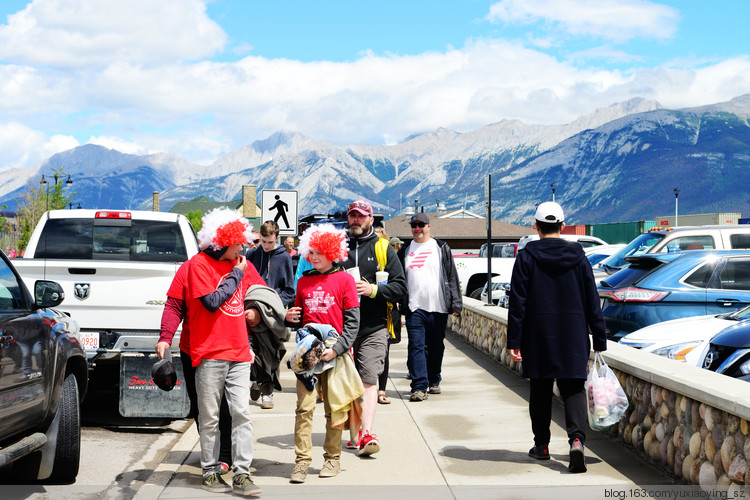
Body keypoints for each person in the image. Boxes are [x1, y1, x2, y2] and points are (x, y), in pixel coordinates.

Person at [507, 201, 607, 474]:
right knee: (573, 389)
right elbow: (592, 300)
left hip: (538, 335)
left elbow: (518, 302)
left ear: (536, 227)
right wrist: (599, 338)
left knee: (540, 391)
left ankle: (542, 446)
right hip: (573, 333)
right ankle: (576, 440)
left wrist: (514, 341)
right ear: (562, 227)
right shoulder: (579, 256)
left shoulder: (527, 256)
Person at [187, 207, 265, 495]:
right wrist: (235, 274)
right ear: (222, 241)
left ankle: (242, 474)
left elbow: (260, 295)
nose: (242, 247)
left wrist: (256, 312)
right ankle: (209, 470)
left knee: (242, 413)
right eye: (238, 242)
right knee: (209, 417)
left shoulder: (242, 264)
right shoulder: (199, 265)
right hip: (209, 353)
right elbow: (212, 301)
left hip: (239, 353)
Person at [285, 224, 361, 483]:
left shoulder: (345, 280)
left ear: (333, 251)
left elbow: (352, 323)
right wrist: (290, 318)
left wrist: (337, 349)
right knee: (304, 409)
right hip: (307, 355)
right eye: (311, 252)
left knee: (334, 410)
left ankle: (332, 459)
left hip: (334, 355)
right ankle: (302, 462)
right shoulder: (303, 282)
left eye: (319, 252)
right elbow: (299, 318)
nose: (313, 257)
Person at [155, 260, 233, 474]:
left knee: (225, 407)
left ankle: (225, 455)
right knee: (199, 407)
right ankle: (212, 453)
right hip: (194, 349)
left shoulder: (241, 265)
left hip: (227, 349)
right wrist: (165, 338)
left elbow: (257, 296)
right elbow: (174, 305)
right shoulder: (190, 267)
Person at [341, 199, 406, 456]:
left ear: (370, 219)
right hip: (343, 328)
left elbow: (401, 287)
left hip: (374, 326)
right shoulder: (338, 246)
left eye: (360, 216)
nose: (355, 220)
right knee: (347, 383)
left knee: (369, 378)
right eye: (352, 216)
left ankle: (367, 431)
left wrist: (373, 290)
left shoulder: (383, 248)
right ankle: (354, 431)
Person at [396, 213, 462, 401]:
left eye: (421, 225)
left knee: (436, 347)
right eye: (414, 225)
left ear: (428, 226)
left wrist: (456, 303)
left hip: (438, 307)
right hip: (414, 307)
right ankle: (419, 387)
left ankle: (434, 379)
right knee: (415, 346)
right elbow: (398, 277)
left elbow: (451, 276)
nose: (417, 229)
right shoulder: (406, 249)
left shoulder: (440, 247)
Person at [247, 220, 295, 409]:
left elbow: (290, 290)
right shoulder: (252, 254)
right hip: (252, 309)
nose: (266, 246)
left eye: (270, 242)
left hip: (273, 313)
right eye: (263, 242)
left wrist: (274, 304)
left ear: (277, 238)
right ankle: (259, 382)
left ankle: (268, 392)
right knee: (252, 350)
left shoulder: (284, 258)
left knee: (272, 352)